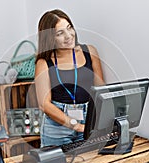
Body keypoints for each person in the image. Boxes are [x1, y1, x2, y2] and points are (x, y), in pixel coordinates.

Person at [35, 9, 104, 147]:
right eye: (60, 33)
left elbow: (101, 90)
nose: (68, 36)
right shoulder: (43, 63)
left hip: (87, 120)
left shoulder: (90, 51)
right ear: (50, 38)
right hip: (56, 128)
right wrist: (76, 126)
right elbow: (44, 104)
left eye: (69, 28)